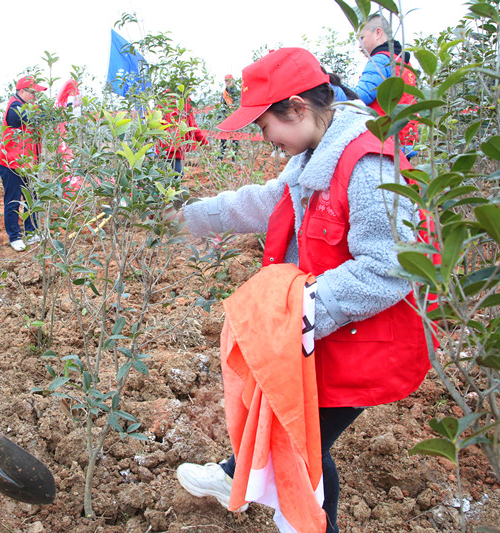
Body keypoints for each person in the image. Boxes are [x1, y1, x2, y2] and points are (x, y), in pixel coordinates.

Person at [172, 48, 429, 533]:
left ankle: (253, 487)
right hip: (327, 337)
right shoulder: (316, 154)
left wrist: (306, 309)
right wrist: (186, 217)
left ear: (297, 107)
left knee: (296, 439)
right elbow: (266, 202)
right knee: (302, 439)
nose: (270, 143)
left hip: (362, 339)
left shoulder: (367, 164)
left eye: (268, 129)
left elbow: (393, 267)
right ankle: (246, 480)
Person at [354, 13, 419, 153]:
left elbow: (360, 96)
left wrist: (333, 89)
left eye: (362, 38)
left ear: (378, 33)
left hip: (386, 141)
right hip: (407, 140)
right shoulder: (404, 62)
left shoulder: (380, 60)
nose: (360, 45)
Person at [0, 76, 48, 252]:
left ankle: (32, 231)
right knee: (13, 200)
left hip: (29, 165)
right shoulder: (15, 108)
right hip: (11, 164)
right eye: (33, 92)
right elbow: (32, 117)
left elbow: (43, 118)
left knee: (31, 198)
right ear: (21, 91)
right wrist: (52, 110)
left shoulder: (28, 107)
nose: (35, 96)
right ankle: (15, 236)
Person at [155, 89, 209, 177]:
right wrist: (204, 142)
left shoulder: (165, 97)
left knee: (169, 177)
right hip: (171, 149)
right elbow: (192, 124)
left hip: (165, 148)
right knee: (175, 178)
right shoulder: (184, 100)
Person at [218, 74, 239, 159]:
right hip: (225, 117)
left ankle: (234, 157)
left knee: (235, 139)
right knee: (223, 138)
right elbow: (221, 106)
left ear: (232, 81)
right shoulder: (224, 93)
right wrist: (220, 118)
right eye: (226, 81)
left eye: (229, 81)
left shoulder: (236, 93)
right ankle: (221, 156)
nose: (228, 82)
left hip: (235, 118)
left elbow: (238, 105)